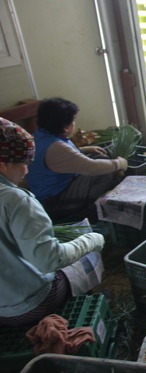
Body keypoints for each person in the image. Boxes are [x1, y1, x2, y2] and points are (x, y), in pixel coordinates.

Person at [0, 118, 105, 327]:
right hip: (25, 306)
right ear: (3, 164)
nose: (26, 172)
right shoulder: (16, 200)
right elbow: (49, 261)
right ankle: (96, 302)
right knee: (87, 253)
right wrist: (92, 240)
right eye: (23, 164)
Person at [26, 98, 127, 222]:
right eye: (73, 120)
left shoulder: (39, 135)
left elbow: (61, 158)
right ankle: (91, 211)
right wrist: (119, 164)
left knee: (102, 159)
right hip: (55, 202)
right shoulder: (56, 148)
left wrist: (85, 149)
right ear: (65, 127)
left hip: (49, 193)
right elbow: (90, 167)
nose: (74, 123)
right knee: (104, 170)